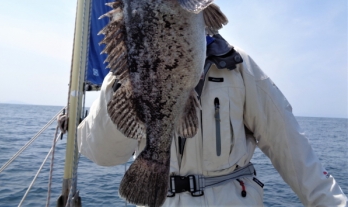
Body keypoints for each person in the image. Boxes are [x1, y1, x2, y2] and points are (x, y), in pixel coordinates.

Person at [75, 34, 347, 206]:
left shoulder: (238, 65)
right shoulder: (126, 72)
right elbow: (102, 154)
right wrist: (124, 80)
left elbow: (293, 151)